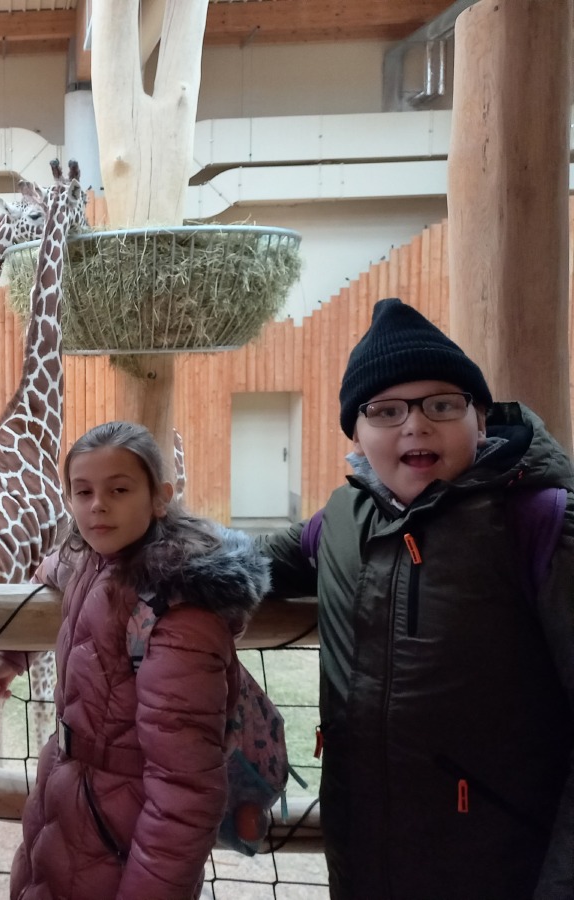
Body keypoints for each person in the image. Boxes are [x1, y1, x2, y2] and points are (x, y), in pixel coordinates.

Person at [259, 297, 574, 899]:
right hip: (364, 864)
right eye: (385, 410)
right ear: (356, 434)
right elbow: (248, 563)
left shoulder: (543, 523)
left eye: (443, 404)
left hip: (505, 871)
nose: (416, 424)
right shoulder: (342, 520)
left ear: (481, 420)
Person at [0, 421, 269, 900]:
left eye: (118, 490)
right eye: (83, 491)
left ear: (160, 498)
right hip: (71, 808)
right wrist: (11, 659)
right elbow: (55, 569)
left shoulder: (178, 615)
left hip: (120, 832)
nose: (97, 505)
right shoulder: (90, 558)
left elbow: (185, 792)